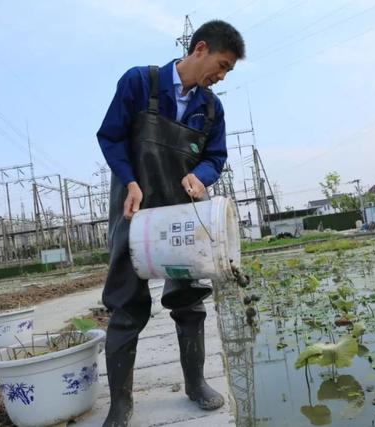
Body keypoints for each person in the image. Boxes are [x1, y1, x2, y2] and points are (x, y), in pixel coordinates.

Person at [96, 20, 245, 427]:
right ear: (200, 49)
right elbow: (109, 137)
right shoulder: (139, 83)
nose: (222, 74)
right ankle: (121, 404)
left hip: (182, 217)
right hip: (135, 210)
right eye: (223, 64)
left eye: (229, 70)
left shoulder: (211, 108)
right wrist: (129, 181)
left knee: (188, 300)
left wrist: (204, 177)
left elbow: (215, 157)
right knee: (126, 305)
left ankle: (195, 384)